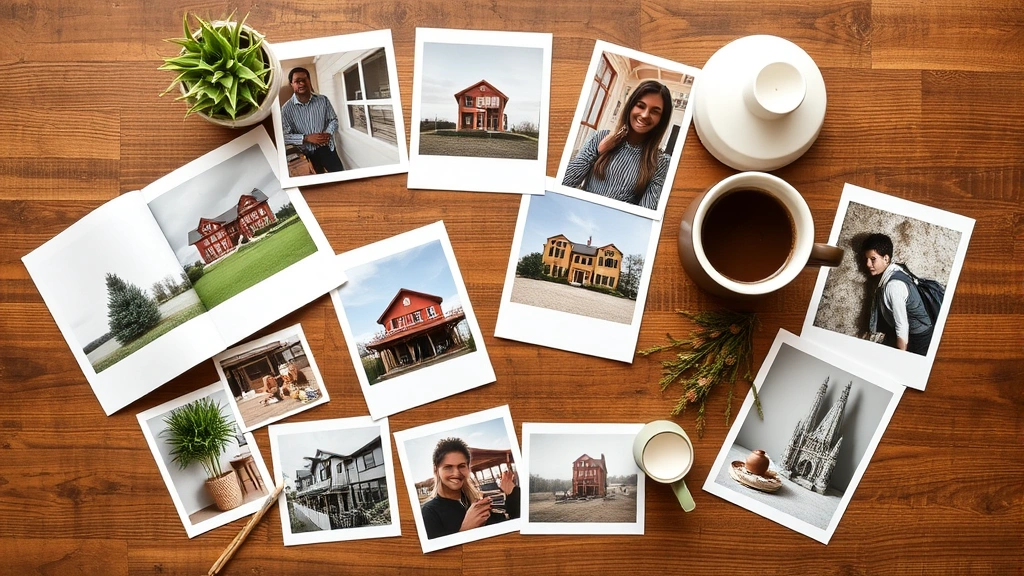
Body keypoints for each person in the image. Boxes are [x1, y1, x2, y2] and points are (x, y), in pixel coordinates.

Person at [561, 79, 674, 210]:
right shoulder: (599, 137)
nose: (644, 115)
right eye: (640, 106)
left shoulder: (660, 162)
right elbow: (565, 182)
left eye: (655, 111)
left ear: (662, 119)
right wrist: (598, 151)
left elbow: (645, 213)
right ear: (630, 106)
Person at [420, 437, 520, 540]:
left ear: (468, 468)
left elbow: (512, 529)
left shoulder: (476, 502)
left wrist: (512, 492)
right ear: (436, 470)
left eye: (461, 466)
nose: (456, 473)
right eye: (448, 467)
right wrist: (465, 530)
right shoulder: (429, 512)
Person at [861, 233, 934, 355]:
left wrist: (900, 355)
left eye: (873, 259)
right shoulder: (896, 269)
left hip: (919, 337)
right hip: (914, 333)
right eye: (867, 259)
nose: (868, 264)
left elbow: (902, 325)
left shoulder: (893, 286)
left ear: (886, 258)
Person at [280, 67, 345, 174]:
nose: (301, 83)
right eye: (297, 81)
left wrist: (328, 133)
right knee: (320, 185)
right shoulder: (286, 110)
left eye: (304, 79)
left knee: (341, 177)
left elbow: (333, 120)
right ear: (291, 84)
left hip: (327, 149)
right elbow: (284, 136)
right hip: (306, 155)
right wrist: (306, 138)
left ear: (309, 81)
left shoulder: (323, 100)